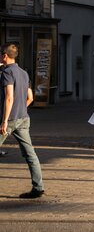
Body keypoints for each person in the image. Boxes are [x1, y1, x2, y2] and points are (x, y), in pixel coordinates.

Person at [0, 43, 44, 198]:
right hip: (24, 118)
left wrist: (5, 120)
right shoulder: (24, 73)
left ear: (5, 56)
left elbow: (9, 97)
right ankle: (38, 187)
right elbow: (30, 98)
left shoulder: (6, 72)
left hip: (9, 119)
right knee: (30, 154)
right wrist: (21, 108)